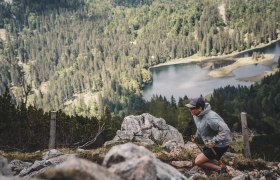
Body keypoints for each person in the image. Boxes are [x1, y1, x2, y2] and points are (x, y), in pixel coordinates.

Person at [186, 97, 231, 173]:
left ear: (200, 108)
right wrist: (196, 136)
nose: (190, 110)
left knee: (198, 161)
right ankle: (217, 164)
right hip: (209, 144)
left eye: (192, 108)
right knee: (209, 159)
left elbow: (226, 130)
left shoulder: (210, 118)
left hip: (220, 144)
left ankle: (221, 170)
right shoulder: (196, 116)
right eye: (189, 108)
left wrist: (213, 141)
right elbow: (200, 127)